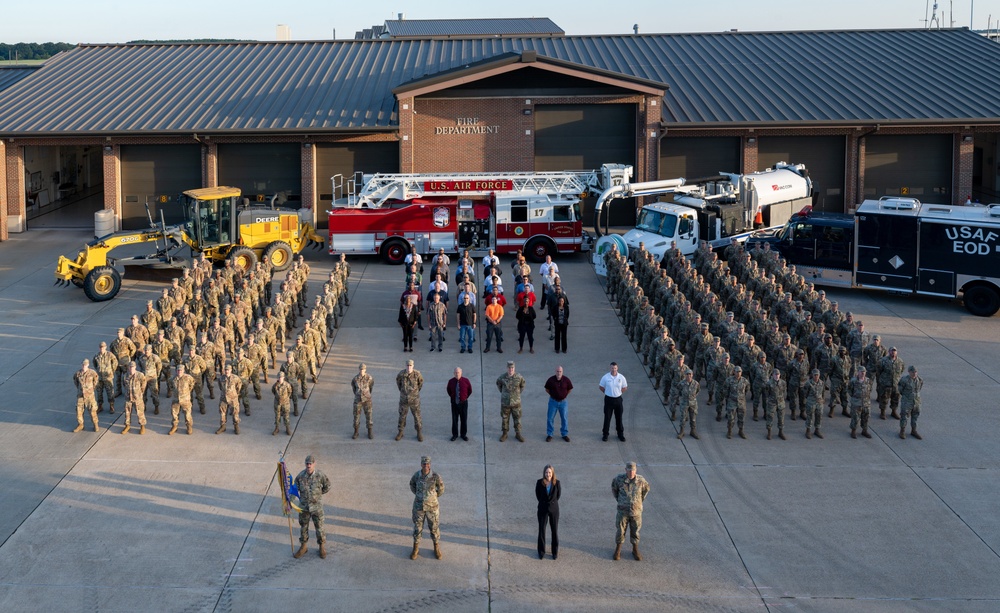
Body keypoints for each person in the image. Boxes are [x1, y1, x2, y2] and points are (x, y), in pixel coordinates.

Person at [293, 455, 332, 559]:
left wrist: (317, 496)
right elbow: (294, 489)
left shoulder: (320, 475)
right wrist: (289, 502)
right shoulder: (300, 476)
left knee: (319, 527)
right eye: (307, 463)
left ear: (314, 464)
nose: (308, 465)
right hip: (304, 507)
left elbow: (327, 486)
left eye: (310, 463)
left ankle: (322, 547)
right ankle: (303, 547)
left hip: (316, 507)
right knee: (303, 527)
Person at [611, 461, 650, 561]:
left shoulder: (641, 481)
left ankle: (635, 550)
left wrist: (638, 503)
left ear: (636, 470)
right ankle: (618, 550)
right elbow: (615, 490)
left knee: (635, 531)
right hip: (622, 512)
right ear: (625, 470)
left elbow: (645, 492)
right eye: (629, 470)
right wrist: (621, 501)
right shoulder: (619, 479)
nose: (631, 473)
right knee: (620, 531)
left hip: (636, 512)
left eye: (633, 470)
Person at [409, 456, 445, 560]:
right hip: (419, 507)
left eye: (428, 464)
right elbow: (412, 485)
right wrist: (419, 495)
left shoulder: (435, 476)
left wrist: (433, 497)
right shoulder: (417, 475)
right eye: (424, 464)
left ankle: (436, 547)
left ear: (430, 465)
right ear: (421, 464)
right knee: (417, 528)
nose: (426, 466)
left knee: (434, 528)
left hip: (432, 507)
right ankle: (415, 548)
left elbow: (441, 489)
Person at [496, 360, 527, 442]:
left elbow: (522, 386)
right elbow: (498, 384)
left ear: (514, 368)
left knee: (517, 418)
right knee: (505, 419)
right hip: (505, 403)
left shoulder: (519, 377)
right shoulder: (502, 377)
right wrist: (504, 394)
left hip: (516, 403)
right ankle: (504, 433)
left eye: (512, 368)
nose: (511, 370)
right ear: (507, 368)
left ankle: (518, 434)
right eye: (509, 368)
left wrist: (517, 395)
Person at [535, 464, 561, 560]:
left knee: (554, 531)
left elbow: (558, 496)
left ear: (552, 473)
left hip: (554, 510)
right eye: (546, 472)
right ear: (544, 473)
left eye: (549, 472)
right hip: (542, 509)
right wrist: (543, 503)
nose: (548, 474)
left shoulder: (557, 483)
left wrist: (551, 504)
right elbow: (538, 495)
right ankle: (541, 552)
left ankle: (554, 552)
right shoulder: (539, 482)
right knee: (542, 530)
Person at [395, 359, 424, 441]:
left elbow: (420, 384)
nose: (409, 367)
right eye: (407, 365)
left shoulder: (417, 374)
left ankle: (419, 432)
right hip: (404, 400)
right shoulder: (401, 374)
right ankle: (400, 432)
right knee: (402, 416)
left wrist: (414, 393)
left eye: (410, 365)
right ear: (405, 366)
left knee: (417, 417)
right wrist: (404, 392)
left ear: (413, 366)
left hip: (414, 401)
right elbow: (399, 384)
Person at [599, 362, 628, 442]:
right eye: (612, 368)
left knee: (619, 417)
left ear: (617, 368)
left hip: (618, 399)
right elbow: (601, 387)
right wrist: (607, 392)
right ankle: (605, 434)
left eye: (615, 368)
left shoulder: (621, 377)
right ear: (610, 368)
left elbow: (625, 387)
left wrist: (619, 392)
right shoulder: (606, 377)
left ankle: (620, 434)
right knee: (607, 417)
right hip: (609, 399)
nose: (613, 370)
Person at [544, 366, 573, 442]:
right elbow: (547, 389)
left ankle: (564, 434)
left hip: (563, 402)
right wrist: (553, 395)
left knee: (564, 418)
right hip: (553, 402)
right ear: (555, 372)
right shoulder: (551, 380)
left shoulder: (566, 380)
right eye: (557, 371)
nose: (559, 373)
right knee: (550, 418)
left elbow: (570, 389)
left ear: (562, 372)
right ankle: (550, 434)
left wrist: (564, 395)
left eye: (560, 371)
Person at [72, 358, 100, 433]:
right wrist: (80, 390)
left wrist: (90, 389)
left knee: (92, 410)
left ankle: (95, 424)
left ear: (88, 365)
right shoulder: (78, 374)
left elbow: (96, 381)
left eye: (85, 365)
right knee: (79, 411)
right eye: (83, 364)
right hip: (80, 396)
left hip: (90, 396)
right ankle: (80, 424)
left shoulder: (92, 373)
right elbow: (76, 382)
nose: (84, 366)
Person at [898, 365, 924, 439]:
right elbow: (900, 389)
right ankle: (902, 431)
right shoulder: (904, 380)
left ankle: (914, 430)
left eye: (915, 372)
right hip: (907, 402)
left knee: (915, 417)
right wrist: (907, 396)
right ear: (909, 372)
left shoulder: (920, 380)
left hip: (916, 402)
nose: (914, 373)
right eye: (912, 372)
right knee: (904, 416)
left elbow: (919, 389)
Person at [446, 367, 472, 441]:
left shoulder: (466, 381)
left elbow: (470, 390)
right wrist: (453, 397)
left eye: (458, 372)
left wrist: (465, 397)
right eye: (455, 372)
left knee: (464, 419)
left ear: (461, 373)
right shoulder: (451, 381)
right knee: (454, 420)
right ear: (454, 373)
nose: (457, 374)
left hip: (463, 403)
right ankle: (455, 435)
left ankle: (463, 435)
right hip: (454, 403)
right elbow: (448, 391)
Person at [170, 363, 195, 435]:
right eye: (178, 370)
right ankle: (174, 426)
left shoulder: (188, 378)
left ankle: (189, 426)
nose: (179, 372)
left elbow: (192, 385)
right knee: (174, 414)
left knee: (187, 414)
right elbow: (171, 386)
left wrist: (186, 393)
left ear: (183, 371)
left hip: (185, 400)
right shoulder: (173, 379)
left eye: (181, 370)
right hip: (176, 399)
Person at [351, 363, 375, 439]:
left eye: (363, 369)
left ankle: (370, 431)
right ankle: (356, 431)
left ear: (365, 370)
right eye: (360, 369)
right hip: (358, 400)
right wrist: (358, 395)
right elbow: (354, 389)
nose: (362, 371)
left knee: (369, 415)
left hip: (367, 400)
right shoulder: (355, 379)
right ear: (359, 370)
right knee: (356, 416)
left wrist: (366, 395)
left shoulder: (369, 378)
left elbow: (371, 387)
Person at [848, 366, 872, 439]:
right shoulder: (853, 381)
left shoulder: (868, 380)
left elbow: (870, 389)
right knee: (855, 417)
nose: (862, 373)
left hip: (866, 403)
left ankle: (864, 430)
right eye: (861, 372)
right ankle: (853, 431)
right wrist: (855, 397)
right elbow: (849, 390)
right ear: (858, 372)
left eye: (864, 372)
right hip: (856, 402)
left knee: (866, 417)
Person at [272, 371, 293, 436]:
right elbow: (273, 391)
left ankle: (287, 428)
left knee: (286, 415)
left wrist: (285, 399)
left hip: (285, 403)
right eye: (279, 377)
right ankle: (277, 428)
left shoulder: (287, 385)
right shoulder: (275, 385)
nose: (280, 378)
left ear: (283, 377)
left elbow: (290, 392)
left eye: (281, 377)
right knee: (277, 416)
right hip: (277, 403)